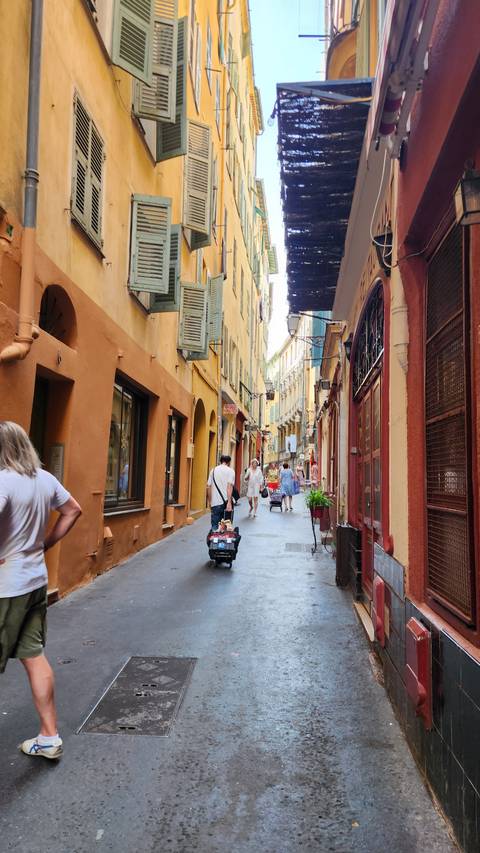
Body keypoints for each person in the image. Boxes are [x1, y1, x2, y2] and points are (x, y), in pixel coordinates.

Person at [0, 421, 82, 760]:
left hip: (7, 587)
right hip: (35, 581)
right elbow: (73, 510)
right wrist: (44, 544)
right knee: (34, 657)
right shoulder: (44, 479)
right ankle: (49, 738)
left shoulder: (3, 481)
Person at [207, 454, 235, 530]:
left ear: (220, 461)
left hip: (215, 503)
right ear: (229, 462)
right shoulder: (231, 471)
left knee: (215, 527)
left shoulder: (213, 470)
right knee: (226, 528)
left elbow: (208, 486)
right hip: (226, 503)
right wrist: (229, 502)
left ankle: (214, 536)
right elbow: (229, 487)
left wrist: (210, 501)